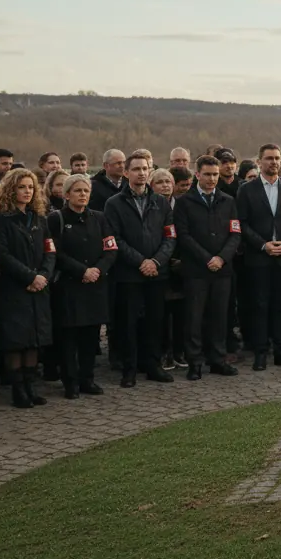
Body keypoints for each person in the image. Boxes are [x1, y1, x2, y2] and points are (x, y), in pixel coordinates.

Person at [105, 153, 177, 387]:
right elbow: (115, 239)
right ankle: (130, 368)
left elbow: (170, 237)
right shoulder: (114, 203)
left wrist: (155, 262)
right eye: (136, 169)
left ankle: (153, 365)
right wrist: (140, 262)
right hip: (128, 274)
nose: (142, 173)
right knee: (128, 323)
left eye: (145, 168)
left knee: (155, 321)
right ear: (126, 173)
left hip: (157, 273)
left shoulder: (161, 202)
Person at [0, 168, 57, 408]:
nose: (27, 192)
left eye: (30, 187)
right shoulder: (0, 219)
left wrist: (44, 275)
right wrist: (30, 277)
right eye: (21, 187)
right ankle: (18, 390)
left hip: (39, 287)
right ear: (10, 189)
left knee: (34, 339)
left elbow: (50, 250)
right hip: (14, 288)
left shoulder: (39, 218)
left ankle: (30, 386)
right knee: (16, 339)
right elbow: (2, 255)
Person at [236, 144, 281, 371]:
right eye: (269, 158)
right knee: (260, 306)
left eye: (277, 158)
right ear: (259, 161)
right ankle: (261, 352)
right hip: (259, 258)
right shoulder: (247, 189)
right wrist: (263, 245)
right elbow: (242, 224)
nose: (274, 162)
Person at [47, 174, 117, 399]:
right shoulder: (55, 219)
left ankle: (87, 378)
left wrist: (98, 269)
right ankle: (70, 381)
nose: (82, 195)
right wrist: (81, 271)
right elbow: (55, 252)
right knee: (69, 338)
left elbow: (111, 248)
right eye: (77, 191)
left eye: (86, 191)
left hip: (95, 286)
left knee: (91, 336)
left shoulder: (100, 218)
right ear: (67, 195)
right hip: (69, 286)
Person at [175, 155, 242, 380]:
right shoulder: (185, 202)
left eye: (215, 174)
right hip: (196, 270)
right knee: (194, 318)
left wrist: (221, 258)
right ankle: (195, 362)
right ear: (197, 175)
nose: (212, 179)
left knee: (219, 317)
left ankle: (218, 359)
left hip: (223, 270)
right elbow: (184, 236)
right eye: (207, 174)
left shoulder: (228, 201)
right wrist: (207, 258)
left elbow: (235, 233)